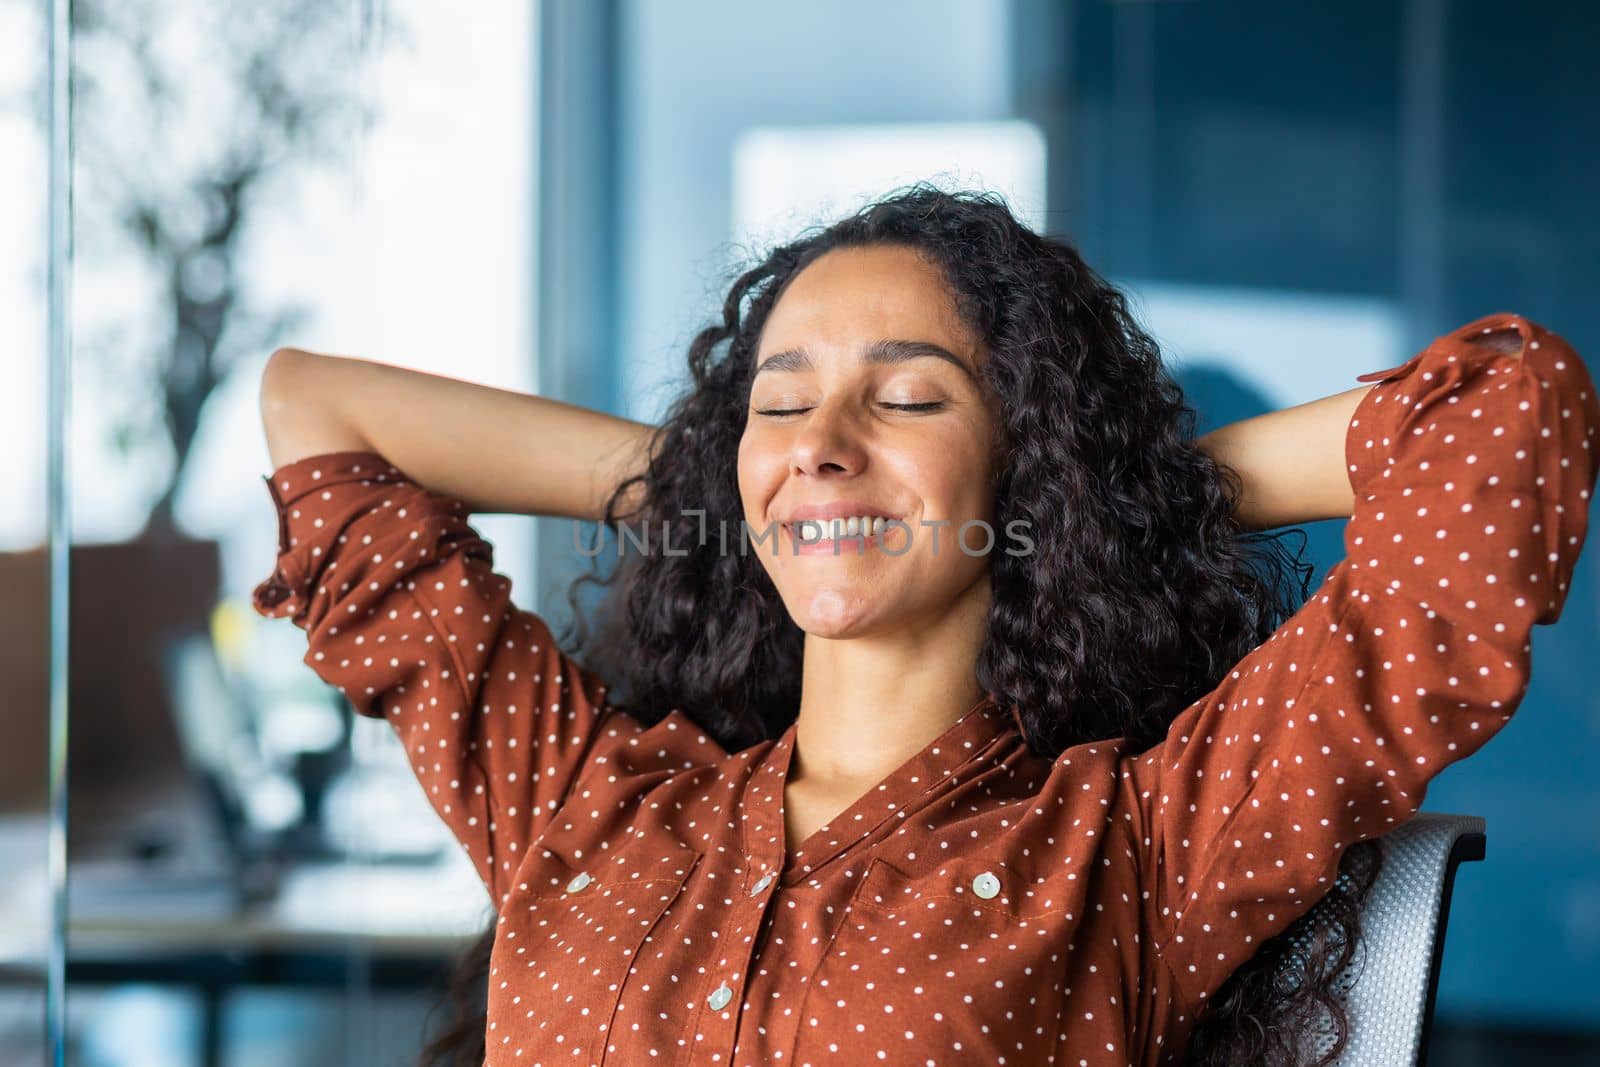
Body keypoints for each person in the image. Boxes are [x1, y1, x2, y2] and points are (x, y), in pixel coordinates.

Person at [251, 185, 1598, 1067]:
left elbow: (1508, 413)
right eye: (783, 400)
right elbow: (317, 410)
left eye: (906, 400)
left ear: (1028, 465)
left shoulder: (1139, 851)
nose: (826, 443)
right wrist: (747, 477)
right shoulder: (584, 799)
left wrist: (1106, 492)